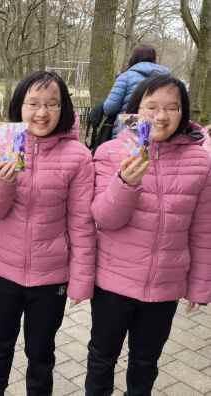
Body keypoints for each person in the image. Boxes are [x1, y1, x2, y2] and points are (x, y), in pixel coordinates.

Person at [85, 74, 211, 395]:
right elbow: (103, 218)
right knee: (102, 359)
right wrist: (125, 184)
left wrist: (199, 285)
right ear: (134, 110)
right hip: (113, 283)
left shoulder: (200, 162)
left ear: (183, 113)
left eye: (172, 107)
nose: (161, 115)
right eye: (151, 106)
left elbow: (203, 230)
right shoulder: (110, 152)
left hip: (164, 289)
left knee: (145, 364)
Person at [0, 71, 96, 395]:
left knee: (41, 353)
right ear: (20, 105)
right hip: (2, 270)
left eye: (52, 104)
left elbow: (82, 223)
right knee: (0, 344)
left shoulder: (79, 157)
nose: (42, 113)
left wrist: (82, 279)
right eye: (33, 103)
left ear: (64, 108)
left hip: (51, 278)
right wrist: (3, 181)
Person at [103, 44, 169, 138]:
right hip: (158, 124)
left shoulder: (126, 77)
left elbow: (109, 108)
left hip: (129, 123)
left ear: (134, 58)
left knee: (129, 150)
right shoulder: (167, 79)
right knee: (153, 151)